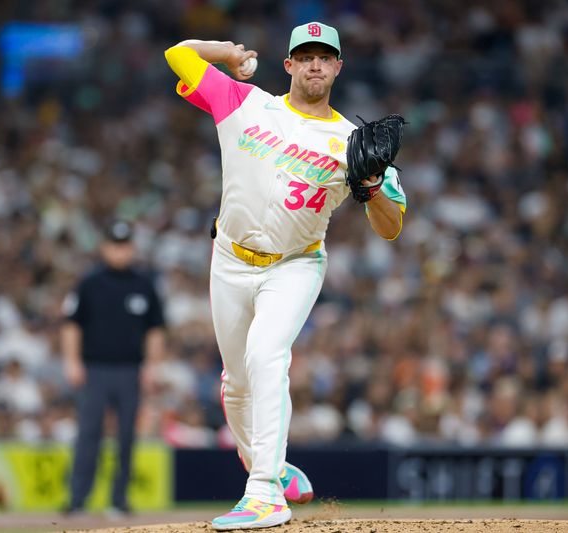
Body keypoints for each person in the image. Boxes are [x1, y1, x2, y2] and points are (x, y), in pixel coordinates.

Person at [164, 22, 406, 530]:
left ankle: (264, 492)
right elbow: (178, 55)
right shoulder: (245, 103)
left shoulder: (351, 142)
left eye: (325, 56)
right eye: (306, 54)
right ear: (289, 64)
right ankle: (265, 464)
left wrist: (371, 187)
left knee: (265, 355)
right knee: (235, 386)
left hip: (295, 263)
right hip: (229, 258)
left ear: (338, 67)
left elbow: (391, 227)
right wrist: (225, 52)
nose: (315, 63)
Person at [61, 219, 166, 516]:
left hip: (130, 370)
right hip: (94, 369)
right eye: (114, 245)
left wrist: (152, 367)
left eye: (125, 246)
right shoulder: (89, 283)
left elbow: (156, 330)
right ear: (104, 247)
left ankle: (119, 499)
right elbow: (72, 325)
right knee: (88, 433)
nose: (120, 252)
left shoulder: (144, 285)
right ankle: (77, 498)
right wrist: (72, 361)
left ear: (131, 248)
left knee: (126, 436)